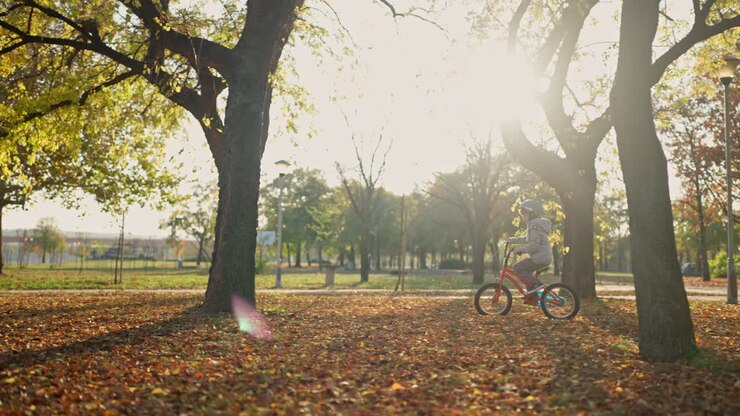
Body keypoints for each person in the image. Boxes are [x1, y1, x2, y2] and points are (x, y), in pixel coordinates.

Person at [505, 199, 553, 296]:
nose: (523, 217)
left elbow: (534, 245)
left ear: (532, 214)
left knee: (517, 267)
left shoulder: (533, 225)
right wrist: (512, 240)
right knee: (525, 273)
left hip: (540, 258)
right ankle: (532, 295)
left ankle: (535, 286)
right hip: (543, 257)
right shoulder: (536, 225)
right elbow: (527, 239)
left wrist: (520, 250)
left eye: (524, 214)